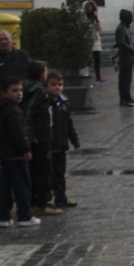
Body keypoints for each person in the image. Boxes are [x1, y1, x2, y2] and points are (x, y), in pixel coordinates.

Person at [0, 76, 40, 229]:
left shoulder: (0, 109)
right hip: (15, 154)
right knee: (21, 185)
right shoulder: (12, 111)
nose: (19, 93)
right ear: (4, 93)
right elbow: (17, 134)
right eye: (14, 90)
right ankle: (24, 215)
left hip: (5, 154)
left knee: (5, 185)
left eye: (20, 90)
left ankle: (3, 216)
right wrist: (25, 150)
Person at [22, 61, 62, 216]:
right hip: (41, 137)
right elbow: (30, 113)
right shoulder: (39, 92)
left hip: (35, 135)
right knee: (44, 171)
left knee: (33, 171)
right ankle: (42, 203)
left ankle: (33, 202)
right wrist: (33, 135)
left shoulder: (25, 88)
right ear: (42, 74)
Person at [46, 71, 80, 208]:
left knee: (60, 173)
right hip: (49, 144)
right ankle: (47, 198)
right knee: (48, 174)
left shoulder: (64, 103)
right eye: (53, 85)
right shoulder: (45, 102)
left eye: (59, 85)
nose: (57, 87)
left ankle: (61, 197)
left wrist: (74, 140)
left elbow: (69, 123)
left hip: (61, 144)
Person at [114, 9, 134, 107]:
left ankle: (126, 97)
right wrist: (131, 50)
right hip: (124, 58)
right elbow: (121, 42)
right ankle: (125, 98)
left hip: (127, 57)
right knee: (125, 79)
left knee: (127, 79)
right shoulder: (121, 28)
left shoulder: (125, 27)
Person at [84, 0, 107, 83]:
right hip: (88, 40)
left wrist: (97, 20)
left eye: (91, 7)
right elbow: (87, 27)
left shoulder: (95, 18)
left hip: (95, 39)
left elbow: (99, 29)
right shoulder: (85, 17)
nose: (90, 9)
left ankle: (98, 76)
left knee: (97, 59)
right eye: (89, 7)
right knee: (88, 60)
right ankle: (88, 74)